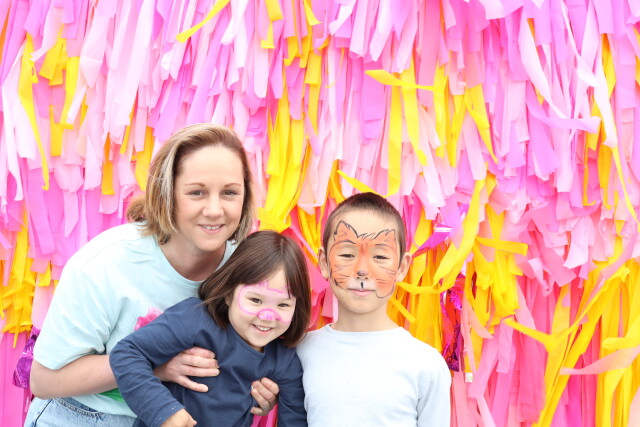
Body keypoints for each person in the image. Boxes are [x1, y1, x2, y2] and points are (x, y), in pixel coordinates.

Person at [25, 124, 277, 426]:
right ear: (167, 194)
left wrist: (258, 388)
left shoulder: (245, 269)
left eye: (229, 193)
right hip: (83, 414)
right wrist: (152, 366)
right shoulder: (106, 263)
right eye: (196, 192)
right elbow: (44, 380)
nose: (214, 209)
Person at [110, 230, 311, 427]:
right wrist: (164, 412)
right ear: (229, 293)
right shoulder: (195, 320)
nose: (268, 316)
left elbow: (295, 419)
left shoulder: (285, 360)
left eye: (283, 305)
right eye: (255, 300)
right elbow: (127, 353)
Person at [296, 192, 452, 426]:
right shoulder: (300, 353)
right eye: (347, 254)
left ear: (402, 267)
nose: (362, 270)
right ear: (324, 262)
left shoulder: (425, 364)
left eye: (379, 256)